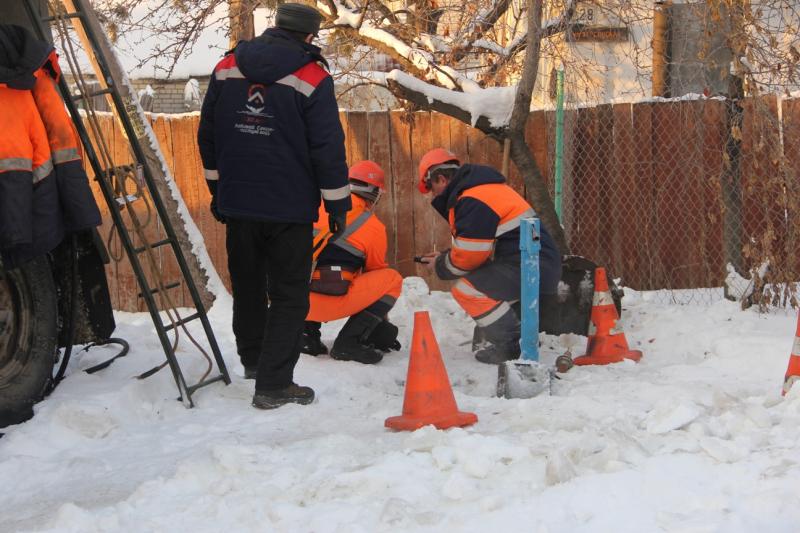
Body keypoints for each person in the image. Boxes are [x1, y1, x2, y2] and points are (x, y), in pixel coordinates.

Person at [197, 3, 351, 409]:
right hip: (288, 209)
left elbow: (208, 133)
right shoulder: (312, 76)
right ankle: (274, 384)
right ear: (309, 36)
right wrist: (337, 205)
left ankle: (253, 360)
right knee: (288, 295)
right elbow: (327, 147)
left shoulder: (227, 66)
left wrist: (217, 190)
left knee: (247, 285)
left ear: (276, 27)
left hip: (239, 204)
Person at [416, 148, 562, 364]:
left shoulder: (471, 198)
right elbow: (476, 249)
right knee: (479, 282)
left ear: (440, 179)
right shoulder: (483, 190)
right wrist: (446, 256)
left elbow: (470, 257)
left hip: (531, 267)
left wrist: (440, 265)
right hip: (535, 264)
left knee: (465, 290)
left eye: (430, 187)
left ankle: (512, 343)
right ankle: (514, 338)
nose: (432, 194)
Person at [302, 161, 403, 364]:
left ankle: (305, 337)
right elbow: (373, 274)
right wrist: (378, 324)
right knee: (392, 279)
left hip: (289, 300)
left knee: (312, 263)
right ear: (375, 193)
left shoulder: (312, 205)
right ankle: (350, 343)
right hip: (326, 301)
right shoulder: (373, 227)